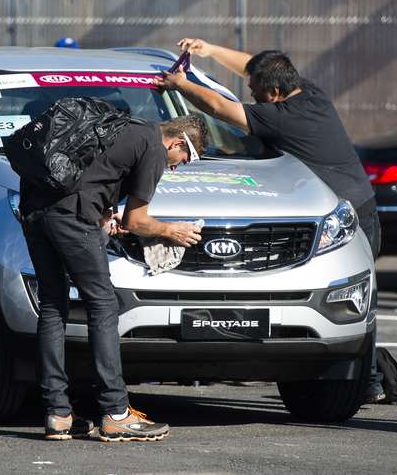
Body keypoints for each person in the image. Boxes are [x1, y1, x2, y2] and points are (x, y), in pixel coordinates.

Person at [154, 38, 385, 403]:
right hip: (362, 203)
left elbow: (217, 106)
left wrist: (179, 84)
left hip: (340, 215)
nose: (252, 94)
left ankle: (367, 381)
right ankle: (364, 378)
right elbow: (256, 67)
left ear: (275, 94)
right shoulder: (312, 94)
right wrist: (210, 51)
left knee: (358, 299)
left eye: (257, 92)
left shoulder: (278, 117)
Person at [20, 114, 209, 441]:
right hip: (72, 218)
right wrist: (170, 230)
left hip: (37, 210)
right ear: (177, 143)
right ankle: (116, 412)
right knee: (103, 305)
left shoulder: (126, 126)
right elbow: (138, 221)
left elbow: (96, 174)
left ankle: (58, 413)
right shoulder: (153, 148)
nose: (180, 166)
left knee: (53, 303)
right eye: (186, 158)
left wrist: (105, 213)